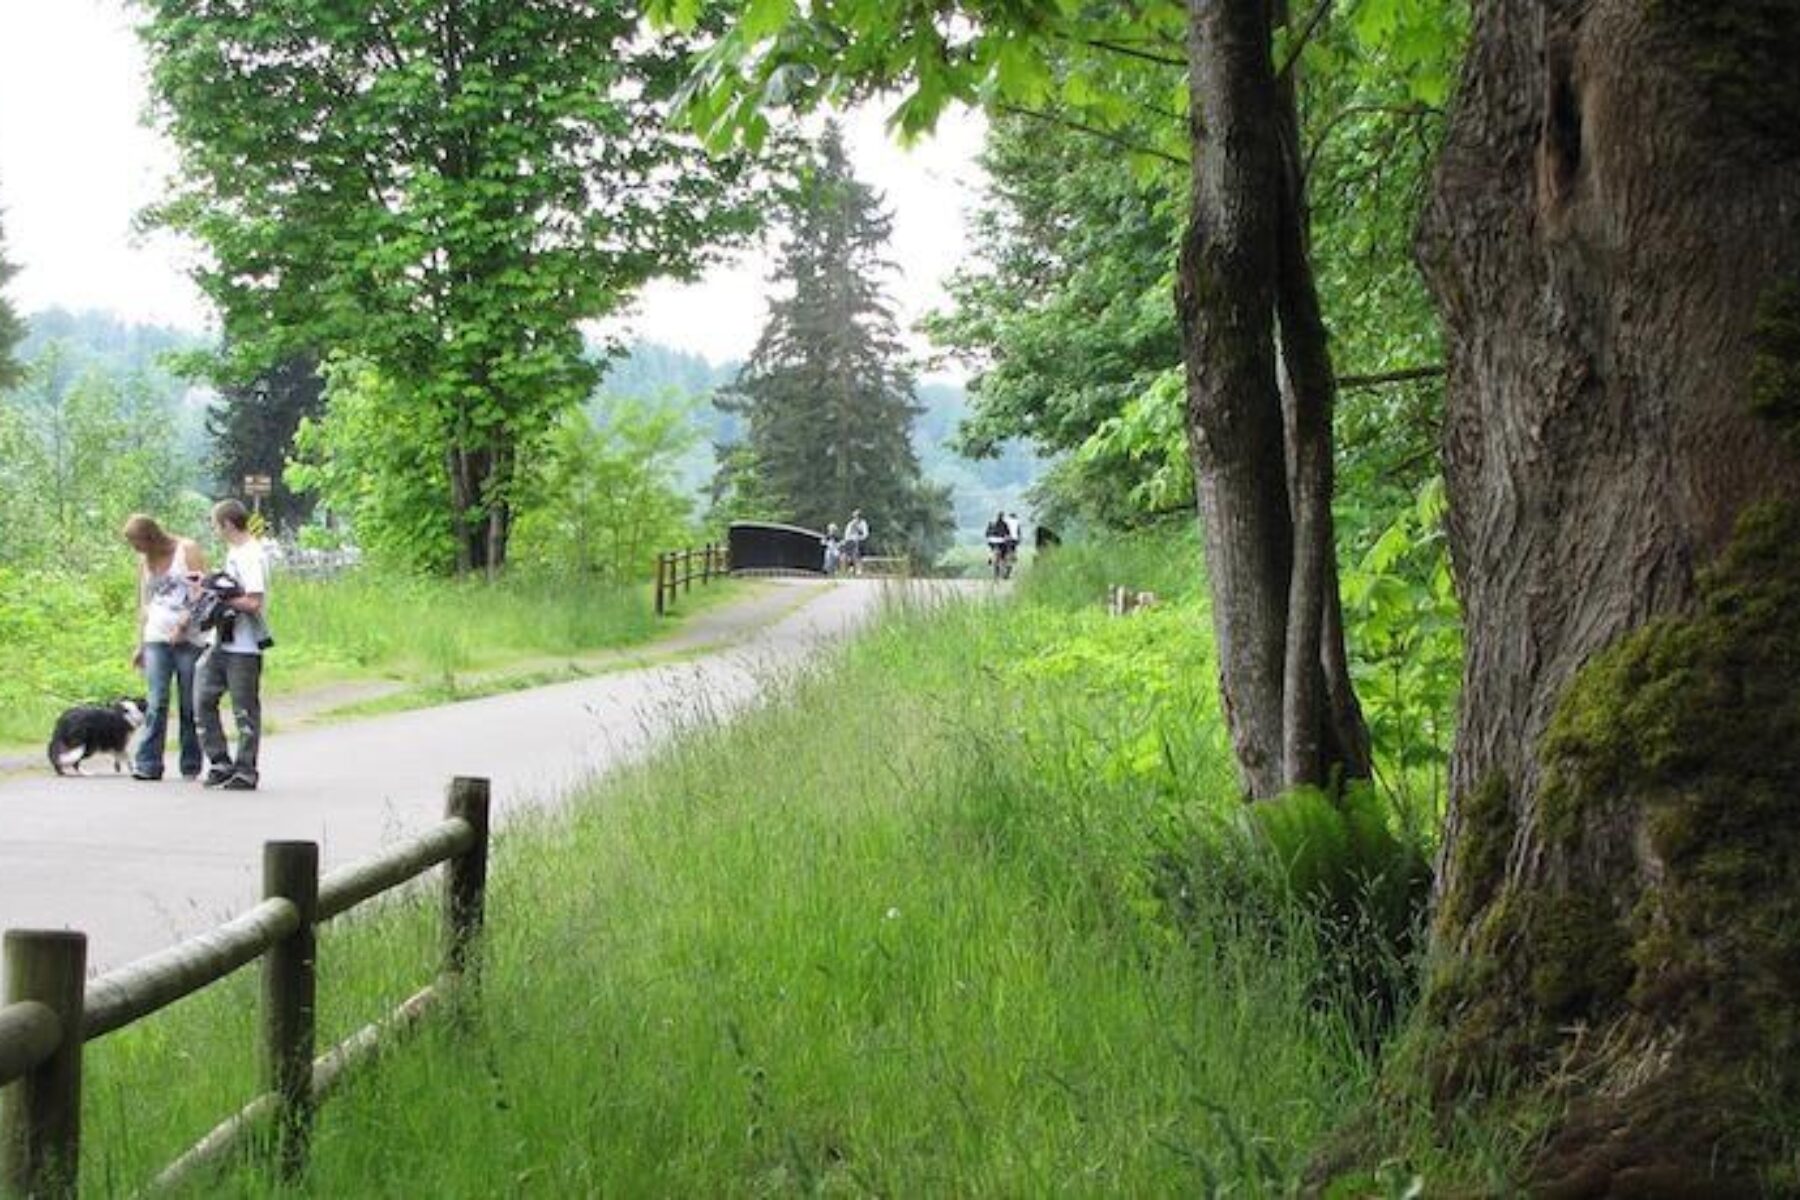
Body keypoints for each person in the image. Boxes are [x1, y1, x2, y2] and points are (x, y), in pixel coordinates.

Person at [122, 513, 209, 781]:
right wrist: (140, 643)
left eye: (138, 542)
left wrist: (184, 624)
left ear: (151, 536)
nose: (136, 549)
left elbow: (203, 591)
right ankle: (148, 763)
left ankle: (191, 763)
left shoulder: (187, 551)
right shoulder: (144, 562)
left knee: (188, 703)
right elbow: (144, 604)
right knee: (157, 700)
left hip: (189, 639)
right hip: (156, 637)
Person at [196, 499, 272, 791]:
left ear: (227, 524)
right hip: (220, 640)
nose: (214, 530)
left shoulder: (252, 554)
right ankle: (219, 761)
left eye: (215, 524)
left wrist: (220, 597)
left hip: (244, 644)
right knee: (202, 699)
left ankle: (246, 768)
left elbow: (254, 602)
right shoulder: (233, 552)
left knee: (244, 708)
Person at [984, 510, 1013, 579]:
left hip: (994, 544)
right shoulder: (1004, 524)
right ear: (1002, 516)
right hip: (1001, 544)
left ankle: (991, 560)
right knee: (1004, 557)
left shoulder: (992, 524)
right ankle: (1006, 568)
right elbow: (1008, 534)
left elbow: (987, 534)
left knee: (993, 553)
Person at [842, 508, 870, 575]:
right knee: (847, 553)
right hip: (850, 541)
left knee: (858, 553)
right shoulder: (850, 524)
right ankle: (850, 568)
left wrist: (859, 538)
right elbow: (846, 534)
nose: (856, 517)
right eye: (855, 516)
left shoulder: (863, 523)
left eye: (858, 515)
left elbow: (865, 534)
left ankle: (858, 569)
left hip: (859, 541)